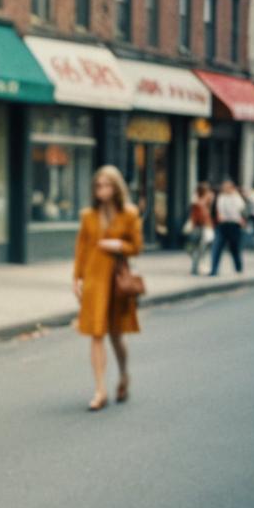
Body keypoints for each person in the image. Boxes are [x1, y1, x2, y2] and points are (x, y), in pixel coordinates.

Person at [72, 166, 143, 412]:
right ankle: (100, 390)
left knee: (116, 335)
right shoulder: (88, 216)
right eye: (98, 185)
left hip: (117, 282)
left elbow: (137, 247)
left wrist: (117, 244)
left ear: (116, 187)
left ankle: (124, 374)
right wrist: (76, 279)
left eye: (107, 185)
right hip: (93, 279)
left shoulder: (129, 214)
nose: (102, 190)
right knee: (96, 333)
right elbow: (81, 250)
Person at [209, 178, 246, 276]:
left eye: (228, 187)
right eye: (224, 187)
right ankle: (214, 270)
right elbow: (216, 210)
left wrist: (242, 220)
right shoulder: (220, 197)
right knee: (216, 247)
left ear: (232, 188)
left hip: (234, 225)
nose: (225, 189)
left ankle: (238, 268)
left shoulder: (236, 197)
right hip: (222, 225)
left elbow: (242, 209)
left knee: (234, 248)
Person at [184, 182, 215, 275]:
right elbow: (196, 214)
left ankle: (196, 267)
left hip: (205, 227)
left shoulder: (206, 200)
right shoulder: (197, 201)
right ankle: (196, 267)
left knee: (201, 249)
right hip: (198, 227)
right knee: (194, 248)